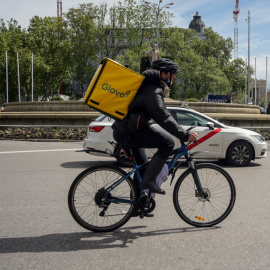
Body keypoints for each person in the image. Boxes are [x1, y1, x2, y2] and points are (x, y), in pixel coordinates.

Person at [112, 58, 197, 196]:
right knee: (168, 143)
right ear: (163, 74)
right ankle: (149, 181)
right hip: (129, 132)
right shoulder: (152, 91)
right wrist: (184, 135)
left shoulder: (148, 87)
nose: (174, 77)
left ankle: (137, 205)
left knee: (143, 169)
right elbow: (164, 117)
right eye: (172, 74)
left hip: (127, 130)